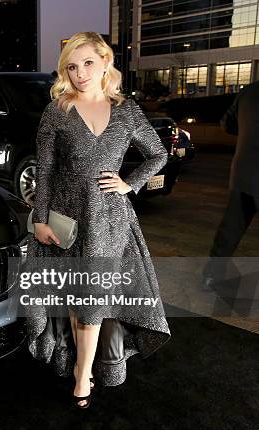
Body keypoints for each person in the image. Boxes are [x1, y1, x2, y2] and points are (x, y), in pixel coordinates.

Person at [24, 32, 171, 409]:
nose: (80, 73)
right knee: (77, 300)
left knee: (92, 303)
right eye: (72, 66)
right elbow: (44, 171)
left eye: (88, 63)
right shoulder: (57, 110)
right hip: (67, 221)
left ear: (106, 61)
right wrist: (39, 221)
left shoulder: (127, 111)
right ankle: (81, 365)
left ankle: (82, 374)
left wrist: (129, 183)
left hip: (108, 223)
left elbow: (157, 154)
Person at [203, 82, 259, 288]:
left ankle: (211, 277)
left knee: (231, 228)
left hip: (244, 171)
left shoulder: (250, 91)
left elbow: (227, 124)